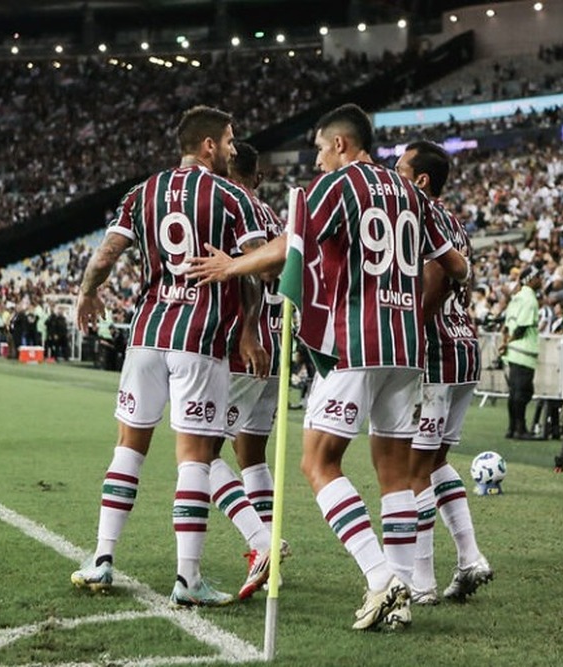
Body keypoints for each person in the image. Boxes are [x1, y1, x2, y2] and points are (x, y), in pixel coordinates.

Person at [188, 104, 469, 630]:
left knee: (317, 463)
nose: (316, 161)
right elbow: (456, 265)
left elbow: (284, 250)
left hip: (355, 344)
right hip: (407, 349)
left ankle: (382, 577)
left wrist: (231, 265)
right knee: (395, 476)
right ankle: (401, 594)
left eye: (319, 149)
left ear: (341, 145)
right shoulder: (412, 193)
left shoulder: (340, 186)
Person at [70, 105, 267, 607]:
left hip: (147, 331)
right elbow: (251, 272)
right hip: (200, 339)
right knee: (196, 458)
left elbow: (107, 253)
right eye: (227, 141)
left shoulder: (143, 192)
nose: (230, 148)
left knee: (127, 447)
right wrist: (248, 328)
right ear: (207, 146)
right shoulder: (232, 196)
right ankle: (188, 578)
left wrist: (88, 293)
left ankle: (102, 557)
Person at [397, 141, 492, 606]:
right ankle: (470, 558)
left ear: (421, 181)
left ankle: (422, 581)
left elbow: (435, 279)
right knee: (435, 463)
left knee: (414, 469)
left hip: (434, 354)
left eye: (401, 170)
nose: (394, 178)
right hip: (463, 347)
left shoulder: (423, 217)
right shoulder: (454, 221)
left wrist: (407, 332)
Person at [207, 141, 288, 601]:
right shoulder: (274, 217)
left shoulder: (231, 209)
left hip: (245, 344)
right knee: (252, 456)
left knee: (202, 453)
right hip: (276, 348)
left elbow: (251, 273)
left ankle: (261, 545)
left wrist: (248, 330)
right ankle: (270, 551)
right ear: (258, 176)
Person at [500, 265, 541, 440]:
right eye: (538, 277)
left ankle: (511, 428)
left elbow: (506, 325)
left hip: (512, 352)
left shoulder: (516, 298)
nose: (541, 280)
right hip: (524, 352)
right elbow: (523, 327)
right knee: (522, 393)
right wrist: (509, 341)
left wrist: (505, 343)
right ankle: (520, 429)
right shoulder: (530, 300)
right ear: (530, 279)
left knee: (515, 392)